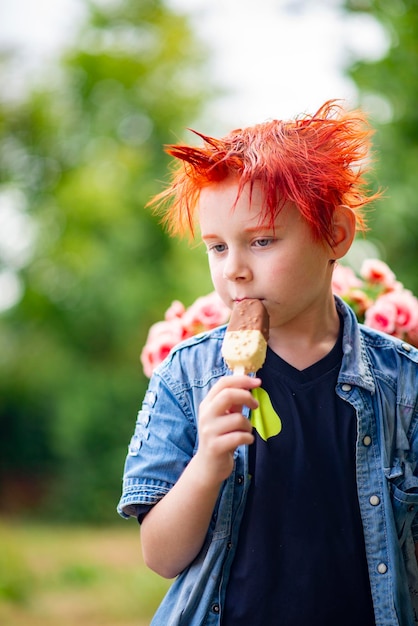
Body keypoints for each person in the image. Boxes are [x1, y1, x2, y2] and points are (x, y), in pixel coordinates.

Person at [117, 100, 418, 626]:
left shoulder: (404, 382)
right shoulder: (184, 376)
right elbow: (160, 556)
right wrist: (208, 464)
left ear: (335, 235)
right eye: (216, 247)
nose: (233, 270)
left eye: (261, 241)